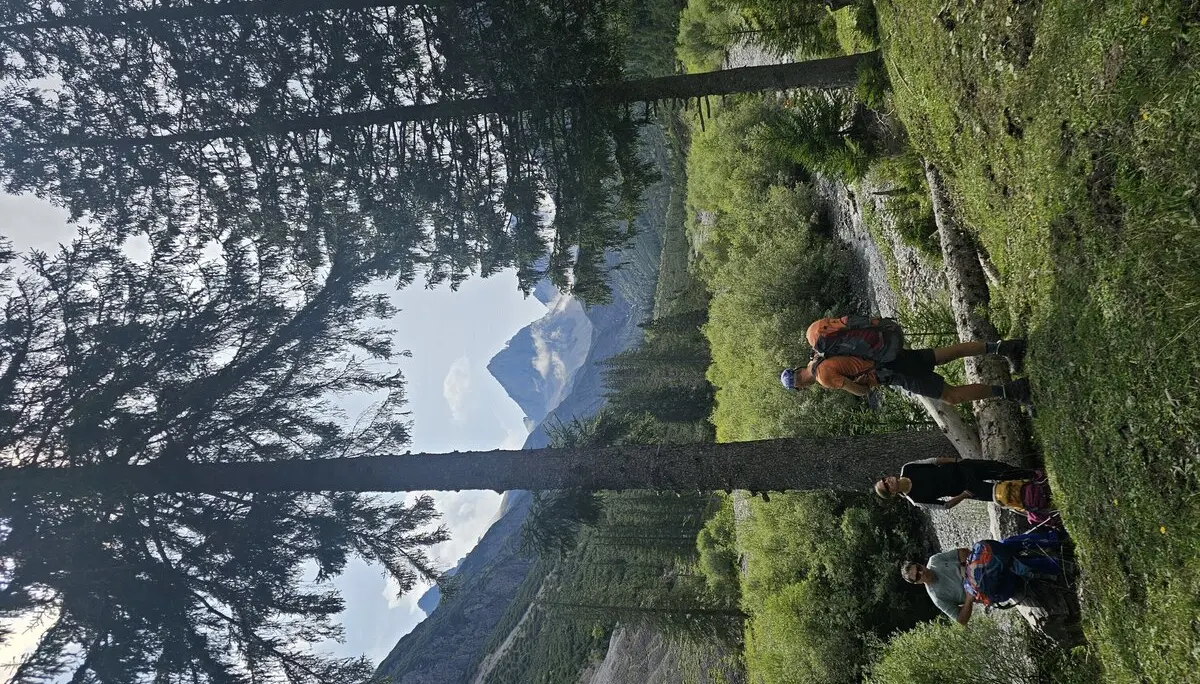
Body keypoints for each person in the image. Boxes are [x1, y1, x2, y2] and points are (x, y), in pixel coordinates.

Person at [779, 315, 1031, 405]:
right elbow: (849, 321)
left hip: (890, 370)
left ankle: (1013, 391)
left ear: (800, 385)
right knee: (942, 354)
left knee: (951, 396)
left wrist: (862, 386)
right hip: (887, 348)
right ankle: (1003, 347)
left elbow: (860, 390)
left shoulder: (824, 377)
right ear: (798, 368)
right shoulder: (815, 334)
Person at [874, 456, 1037, 510]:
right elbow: (945, 506)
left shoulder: (908, 468)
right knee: (1002, 494)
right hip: (967, 489)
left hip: (962, 468)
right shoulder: (916, 500)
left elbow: (935, 460)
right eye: (886, 486)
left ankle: (1033, 475)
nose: (887, 481)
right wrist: (964, 495)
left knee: (1000, 469)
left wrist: (958, 460)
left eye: (884, 479)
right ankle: (1034, 497)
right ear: (892, 493)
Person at [901, 549, 975, 625]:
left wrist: (964, 568)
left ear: (920, 564)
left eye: (919, 568)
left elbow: (963, 552)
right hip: (981, 591)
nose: (922, 572)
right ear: (917, 583)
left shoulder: (935, 560)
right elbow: (961, 620)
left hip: (978, 567)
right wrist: (969, 599)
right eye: (917, 576)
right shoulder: (937, 597)